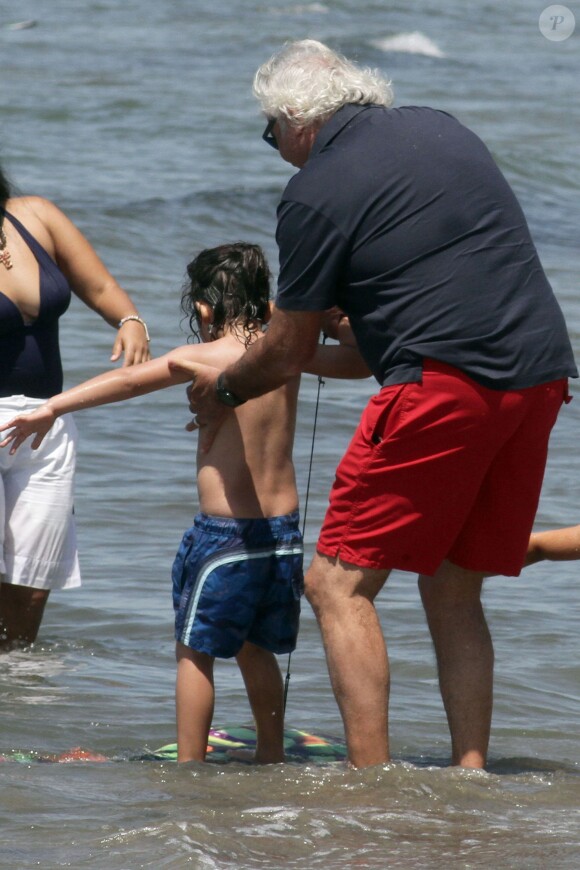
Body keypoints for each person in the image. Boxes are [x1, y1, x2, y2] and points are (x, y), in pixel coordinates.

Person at [177, 39, 578, 770]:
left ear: (298, 119)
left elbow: (287, 349)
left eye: (272, 134)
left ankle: (370, 783)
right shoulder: (443, 127)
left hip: (443, 382)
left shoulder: (315, 190)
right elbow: (422, 277)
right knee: (455, 584)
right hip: (539, 376)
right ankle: (469, 774)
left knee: (336, 581)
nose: (278, 152)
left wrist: (224, 387)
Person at [1, 241, 368, 762]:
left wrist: (53, 407)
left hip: (224, 538)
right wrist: (333, 321)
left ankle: (189, 766)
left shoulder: (207, 356)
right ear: (264, 305)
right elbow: (362, 360)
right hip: (281, 537)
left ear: (203, 308)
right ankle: (270, 755)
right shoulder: (289, 356)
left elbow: (128, 381)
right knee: (256, 649)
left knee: (194, 655)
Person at [0, 164, 150, 650]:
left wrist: (129, 320)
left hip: (47, 422)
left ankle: (17, 690)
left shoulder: (35, 216)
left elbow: (102, 289)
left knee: (33, 579)